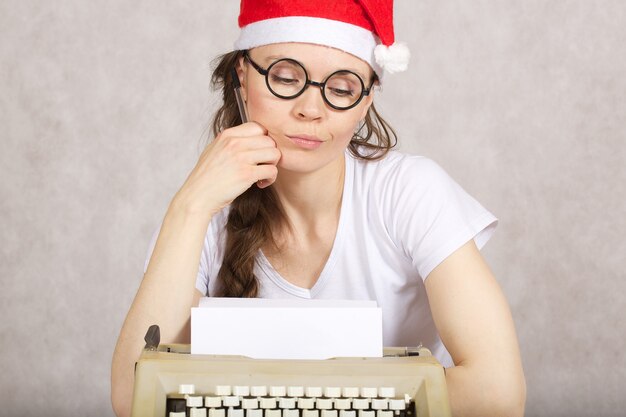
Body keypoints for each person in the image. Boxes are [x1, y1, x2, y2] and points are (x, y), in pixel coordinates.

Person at [111, 1, 526, 416]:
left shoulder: (409, 192)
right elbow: (132, 399)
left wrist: (282, 398)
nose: (311, 109)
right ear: (242, 75)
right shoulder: (204, 214)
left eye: (342, 88)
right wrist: (190, 204)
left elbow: (497, 392)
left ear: (366, 101)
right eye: (286, 78)